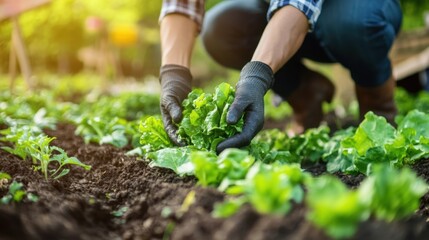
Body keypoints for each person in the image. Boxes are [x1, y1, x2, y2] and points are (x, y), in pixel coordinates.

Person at [158, 0, 403, 153]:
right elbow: (181, 4)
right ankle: (306, 93)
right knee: (221, 28)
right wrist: (173, 75)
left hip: (357, 11)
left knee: (354, 23)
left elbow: (299, 2)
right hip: (281, 12)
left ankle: (378, 106)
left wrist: (257, 75)